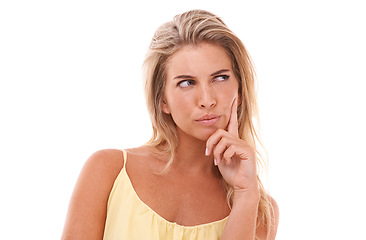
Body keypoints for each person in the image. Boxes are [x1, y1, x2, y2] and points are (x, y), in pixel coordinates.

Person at [61, 9, 279, 240]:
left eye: (220, 78)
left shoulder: (259, 211)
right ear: (163, 99)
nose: (207, 100)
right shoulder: (109, 171)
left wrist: (244, 193)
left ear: (240, 90)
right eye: (187, 83)